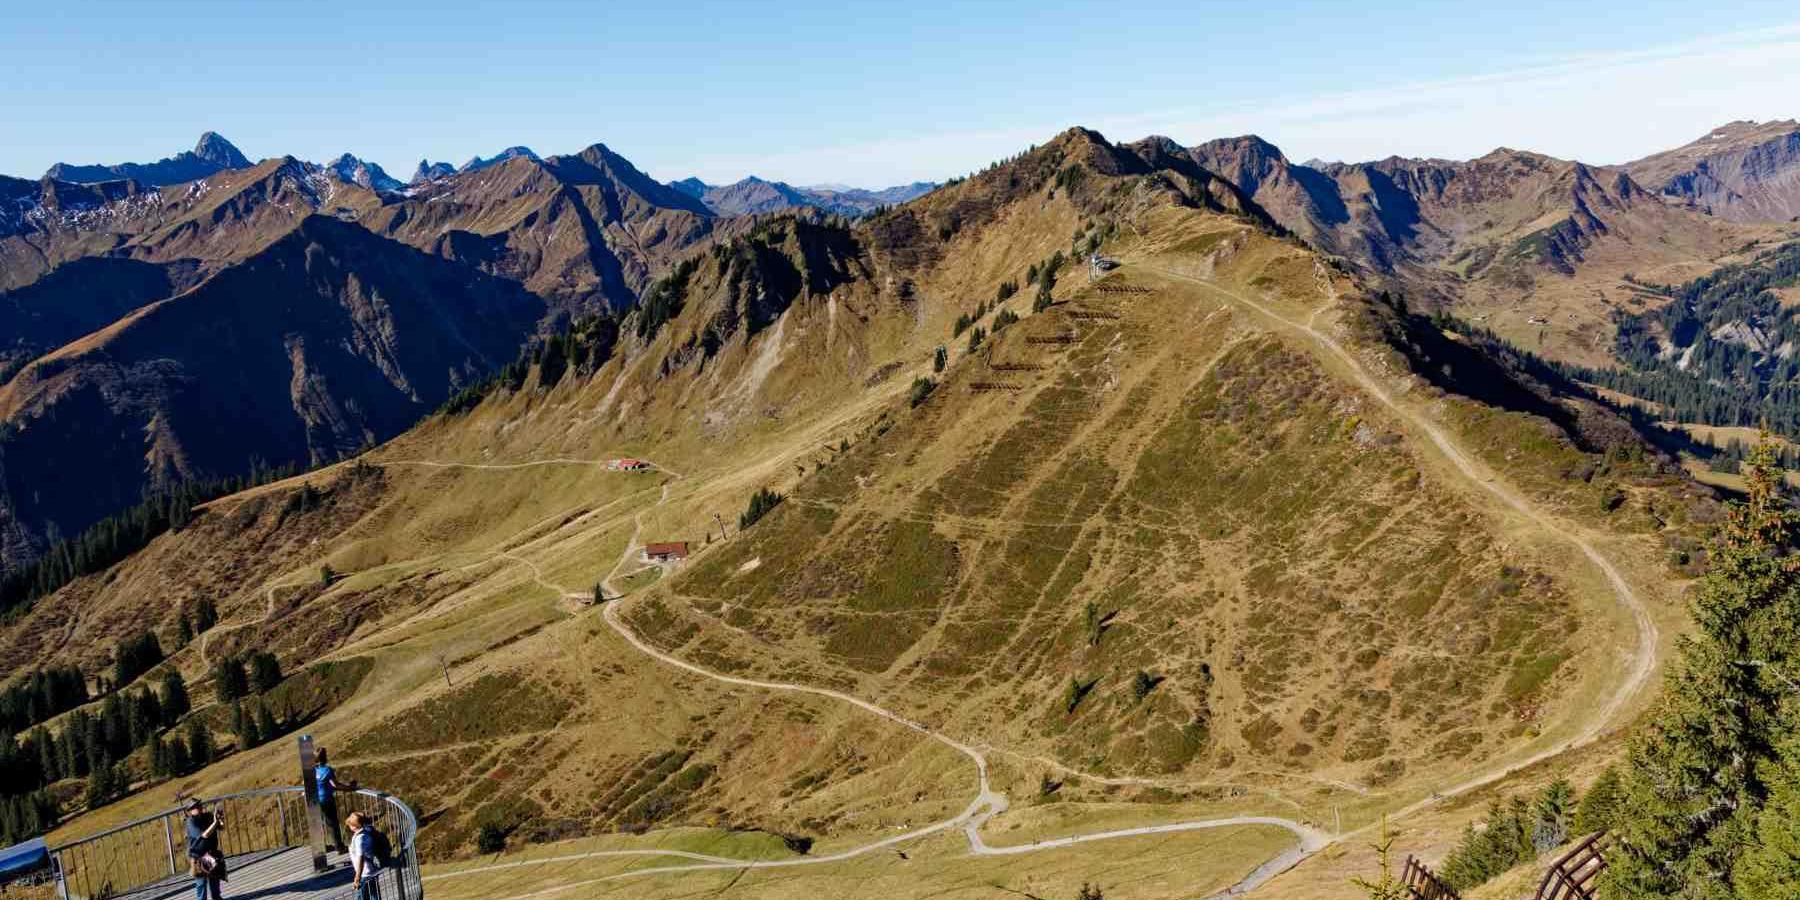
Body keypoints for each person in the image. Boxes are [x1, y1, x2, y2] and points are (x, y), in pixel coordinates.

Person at [184, 799, 226, 900]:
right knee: (201, 884)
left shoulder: (208, 816)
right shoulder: (191, 821)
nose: (198, 807)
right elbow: (205, 835)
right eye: (194, 807)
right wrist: (215, 822)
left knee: (215, 881)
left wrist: (220, 819)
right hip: (199, 856)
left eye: (198, 805)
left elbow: (221, 827)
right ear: (190, 811)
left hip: (212, 853)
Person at [314, 747, 345, 853]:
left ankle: (321, 847)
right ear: (325, 757)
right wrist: (350, 787)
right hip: (326, 799)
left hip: (314, 800)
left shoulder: (312, 770)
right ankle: (339, 847)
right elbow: (335, 785)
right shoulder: (327, 770)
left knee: (318, 824)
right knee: (333, 824)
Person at [346, 812, 381, 900]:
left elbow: (360, 858)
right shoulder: (368, 831)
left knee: (361, 897)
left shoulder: (359, 839)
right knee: (374, 896)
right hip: (372, 871)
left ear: (354, 826)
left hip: (365, 874)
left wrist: (357, 877)